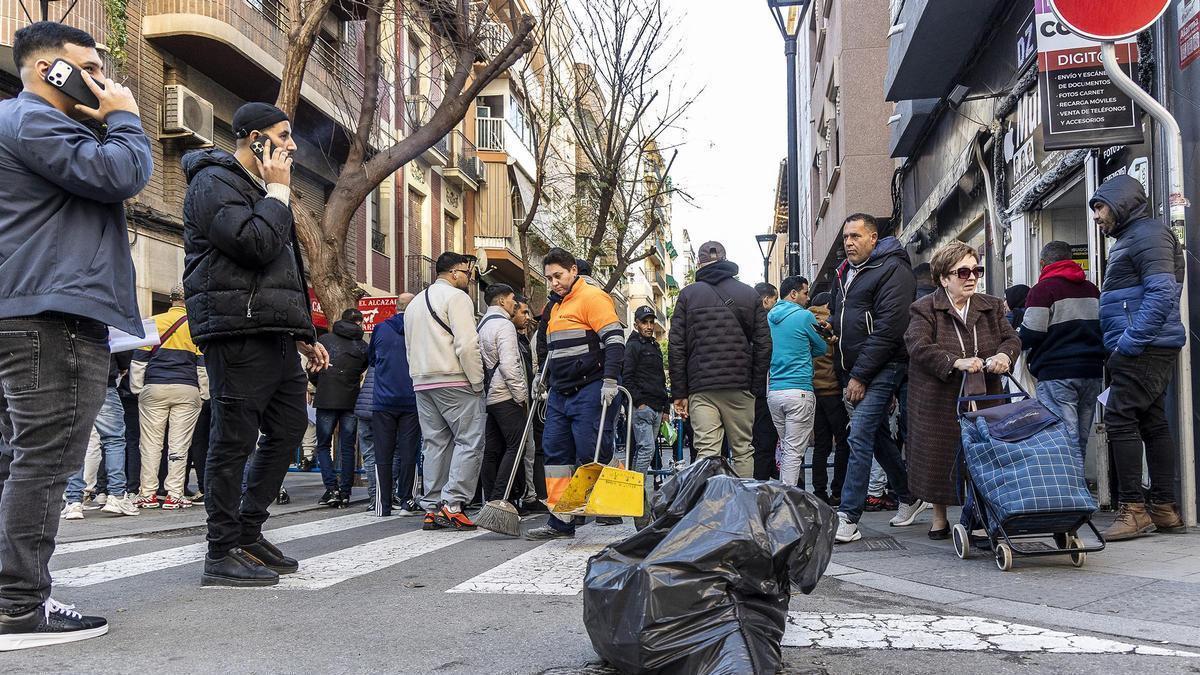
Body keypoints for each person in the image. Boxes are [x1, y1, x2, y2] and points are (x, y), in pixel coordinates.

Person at [0, 21, 152, 647]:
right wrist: (126, 117)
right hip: (52, 313)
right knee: (47, 459)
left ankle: (14, 594)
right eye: (88, 67)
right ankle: (17, 606)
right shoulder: (33, 120)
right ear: (47, 70)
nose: (102, 79)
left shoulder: (24, 124)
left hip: (29, 306)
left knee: (19, 458)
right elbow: (122, 174)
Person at [182, 101, 329, 587]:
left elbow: (284, 273)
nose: (291, 146)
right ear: (253, 138)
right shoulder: (214, 181)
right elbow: (255, 245)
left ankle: (248, 529)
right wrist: (279, 191)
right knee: (234, 440)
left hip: (274, 332)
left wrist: (304, 334)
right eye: (282, 136)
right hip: (237, 329)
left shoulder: (263, 190)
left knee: (288, 428)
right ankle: (220, 549)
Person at [1091, 175, 1187, 540]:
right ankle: (1163, 508)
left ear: (1121, 203)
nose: (1097, 216)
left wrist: (1129, 343)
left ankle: (1133, 510)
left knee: (1119, 417)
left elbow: (1162, 295)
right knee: (1151, 421)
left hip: (1143, 346)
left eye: (1100, 207)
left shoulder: (1146, 234)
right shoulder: (1135, 237)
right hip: (1147, 343)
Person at [904, 242, 1021, 539]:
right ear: (944, 278)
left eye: (976, 270)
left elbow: (1011, 339)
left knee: (985, 453)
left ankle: (980, 513)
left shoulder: (990, 305)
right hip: (939, 394)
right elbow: (918, 345)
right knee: (939, 454)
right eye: (963, 272)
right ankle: (939, 517)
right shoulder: (924, 307)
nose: (972, 277)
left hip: (985, 392)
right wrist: (954, 361)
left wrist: (1004, 356)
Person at [828, 214, 925, 543]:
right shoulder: (846, 273)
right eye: (845, 238)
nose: (849, 242)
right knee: (878, 436)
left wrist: (859, 375)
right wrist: (833, 328)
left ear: (873, 238)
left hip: (885, 364)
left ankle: (848, 515)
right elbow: (845, 315)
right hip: (856, 367)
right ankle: (909, 494)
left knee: (859, 435)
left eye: (856, 236)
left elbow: (889, 329)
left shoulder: (893, 269)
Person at [526, 248, 626, 540]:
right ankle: (560, 520)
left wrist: (610, 380)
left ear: (573, 271)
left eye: (558, 276)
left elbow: (614, 340)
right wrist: (540, 379)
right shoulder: (555, 307)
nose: (553, 282)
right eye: (549, 278)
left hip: (591, 386)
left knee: (591, 449)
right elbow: (553, 350)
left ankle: (623, 497)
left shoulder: (593, 298)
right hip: (560, 391)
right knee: (555, 452)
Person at [668, 241, 771, 478]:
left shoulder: (687, 295)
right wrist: (754, 386)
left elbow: (676, 347)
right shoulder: (749, 293)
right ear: (725, 260)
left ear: (699, 263)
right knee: (743, 450)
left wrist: (679, 393)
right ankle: (743, 508)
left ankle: (711, 508)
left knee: (706, 452)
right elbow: (764, 344)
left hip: (701, 387)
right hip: (740, 385)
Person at [405, 252, 485, 530]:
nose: (468, 277)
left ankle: (432, 506)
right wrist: (477, 381)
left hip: (422, 381)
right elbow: (467, 344)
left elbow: (409, 347)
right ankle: (453, 504)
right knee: (469, 441)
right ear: (453, 273)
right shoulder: (458, 298)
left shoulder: (414, 302)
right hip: (455, 379)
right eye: (466, 271)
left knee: (435, 444)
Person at [1019, 240, 1105, 462]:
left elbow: (1032, 333)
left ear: (1042, 263)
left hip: (1057, 373)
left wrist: (1015, 339)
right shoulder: (1092, 289)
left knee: (1063, 437)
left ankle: (1071, 490)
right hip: (1092, 371)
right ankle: (1079, 486)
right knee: (1081, 437)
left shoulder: (1042, 290)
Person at [130, 284, 208, 510]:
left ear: (170, 299)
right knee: (179, 445)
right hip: (187, 388)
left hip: (154, 387)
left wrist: (137, 389)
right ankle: (175, 494)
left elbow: (138, 361)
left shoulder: (153, 323)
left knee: (150, 444)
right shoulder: (196, 327)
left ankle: (148, 493)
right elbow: (202, 366)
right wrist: (204, 394)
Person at [61, 356, 141, 519]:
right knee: (113, 440)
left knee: (74, 442)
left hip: (69, 384)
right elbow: (122, 347)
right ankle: (116, 496)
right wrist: (121, 365)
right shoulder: (101, 328)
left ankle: (74, 501)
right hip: (102, 381)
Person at [766, 276, 827, 487]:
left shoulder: (769, 316)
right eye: (805, 293)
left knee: (786, 447)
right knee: (793, 451)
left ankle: (786, 495)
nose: (808, 298)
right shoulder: (804, 316)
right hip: (799, 390)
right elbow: (822, 347)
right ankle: (787, 502)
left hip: (774, 392)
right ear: (793, 293)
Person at [478, 283, 531, 504]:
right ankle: (500, 499)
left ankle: (489, 500)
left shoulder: (481, 324)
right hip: (506, 395)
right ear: (501, 301)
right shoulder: (505, 326)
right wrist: (521, 396)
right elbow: (510, 366)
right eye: (512, 300)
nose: (514, 304)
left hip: (489, 395)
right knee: (516, 446)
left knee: (492, 450)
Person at [371, 293, 423, 517]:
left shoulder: (380, 329)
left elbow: (372, 358)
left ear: (395, 307)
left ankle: (382, 505)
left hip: (383, 399)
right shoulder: (420, 330)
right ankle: (406, 501)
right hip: (411, 399)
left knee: (382, 453)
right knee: (409, 452)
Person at [312, 308, 369, 508]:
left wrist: (322, 384)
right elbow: (362, 369)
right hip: (350, 400)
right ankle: (345, 492)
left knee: (323, 445)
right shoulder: (363, 346)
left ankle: (331, 488)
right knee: (347, 447)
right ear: (359, 323)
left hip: (326, 398)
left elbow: (313, 367)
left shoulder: (325, 340)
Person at [807, 292, 849, 505]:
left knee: (821, 444)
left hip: (813, 391)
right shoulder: (832, 324)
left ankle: (819, 490)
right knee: (842, 441)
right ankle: (838, 491)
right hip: (832, 390)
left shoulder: (805, 321)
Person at [624, 306, 670, 496]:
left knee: (646, 450)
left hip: (656, 407)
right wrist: (639, 402)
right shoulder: (633, 346)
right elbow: (626, 377)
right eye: (645, 322)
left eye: (651, 322)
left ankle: (634, 488)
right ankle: (635, 492)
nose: (649, 326)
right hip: (643, 407)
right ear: (636, 324)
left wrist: (665, 408)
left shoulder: (655, 346)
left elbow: (660, 378)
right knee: (646, 449)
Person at [752, 281, 784, 480]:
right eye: (775, 300)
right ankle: (762, 484)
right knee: (765, 439)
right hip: (765, 388)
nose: (776, 304)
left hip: (749, 390)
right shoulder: (767, 322)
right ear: (766, 300)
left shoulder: (745, 319)